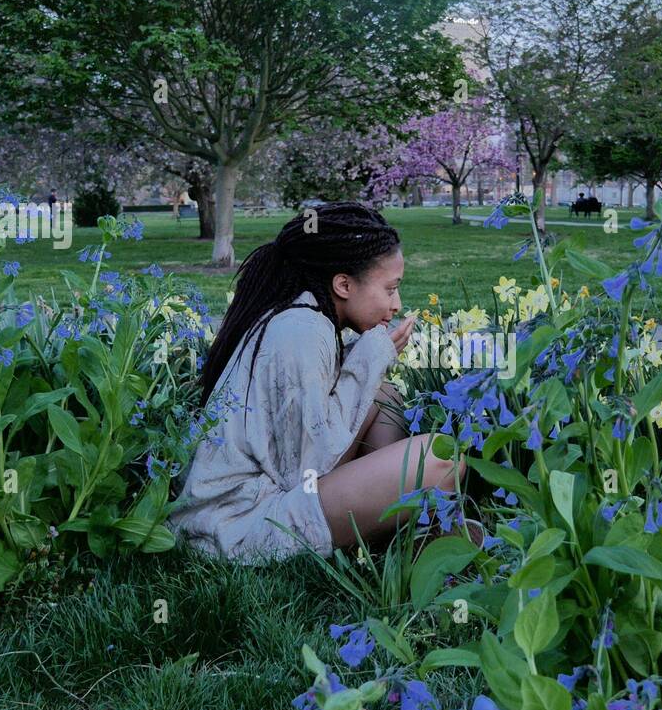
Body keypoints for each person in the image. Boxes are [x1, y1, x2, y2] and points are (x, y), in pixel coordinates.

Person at [167, 201, 478, 565]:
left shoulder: (305, 317)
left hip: (266, 497)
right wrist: (370, 357)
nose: (397, 304)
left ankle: (401, 531)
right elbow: (306, 469)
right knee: (441, 457)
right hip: (239, 527)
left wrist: (367, 362)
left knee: (385, 396)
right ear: (343, 284)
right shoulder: (302, 330)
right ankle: (407, 535)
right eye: (390, 288)